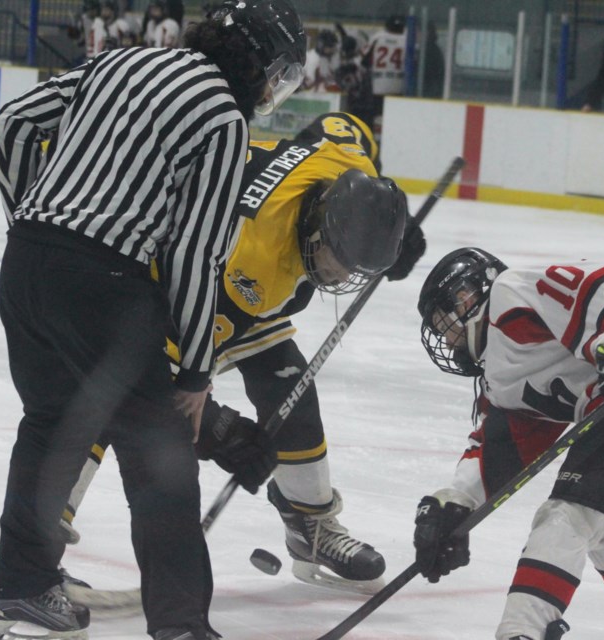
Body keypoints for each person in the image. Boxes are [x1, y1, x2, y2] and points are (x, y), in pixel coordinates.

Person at [0, 2, 306, 640]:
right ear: (259, 62)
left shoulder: (122, 60)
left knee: (49, 426)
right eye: (279, 73)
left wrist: (30, 219)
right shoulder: (221, 114)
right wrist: (193, 369)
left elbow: (15, 123)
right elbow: (195, 250)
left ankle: (20, 582)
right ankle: (182, 626)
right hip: (103, 285)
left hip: (26, 269)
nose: (274, 89)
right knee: (161, 460)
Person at [58, 112, 424, 596]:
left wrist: (386, 226)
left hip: (237, 272)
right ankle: (39, 544)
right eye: (338, 260)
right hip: (160, 278)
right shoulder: (251, 265)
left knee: (290, 383)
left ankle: (310, 527)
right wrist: (217, 429)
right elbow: (154, 381)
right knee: (106, 399)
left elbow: (339, 123)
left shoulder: (345, 159)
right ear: (320, 223)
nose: (338, 279)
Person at [412, 248, 604, 640]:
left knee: (567, 516)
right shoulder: (500, 378)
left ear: (471, 295)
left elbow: (599, 279)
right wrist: (454, 503)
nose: (445, 335)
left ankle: (522, 631)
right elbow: (504, 446)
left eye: (446, 318)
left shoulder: (510, 295)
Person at [362, 15, 407, 137]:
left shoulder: (378, 37)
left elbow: (364, 60)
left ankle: (378, 142)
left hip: (379, 87)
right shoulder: (407, 39)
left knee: (378, 118)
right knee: (395, 120)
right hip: (399, 87)